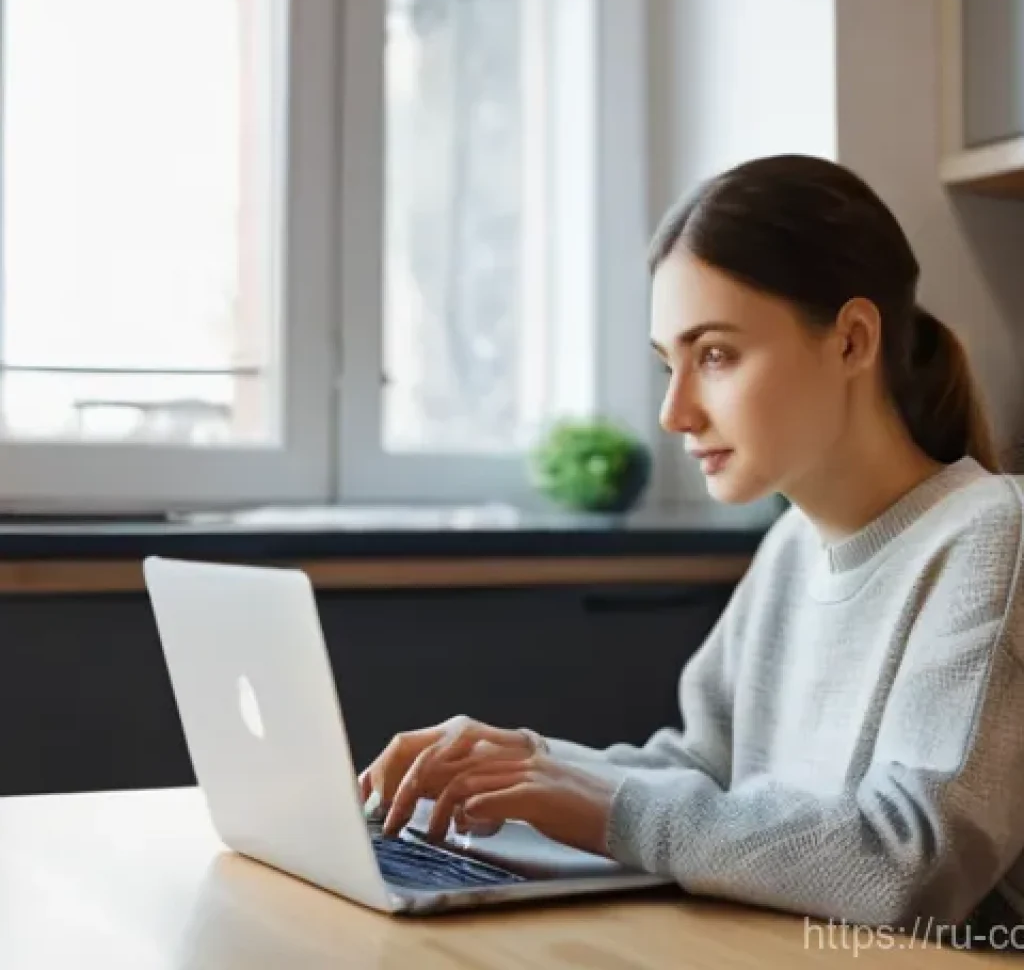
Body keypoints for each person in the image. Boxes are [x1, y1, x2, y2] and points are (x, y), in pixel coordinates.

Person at [359, 154, 1024, 935]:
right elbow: (705, 772)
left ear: (851, 341)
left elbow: (913, 862)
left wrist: (611, 807)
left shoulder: (992, 536)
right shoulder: (790, 548)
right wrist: (524, 764)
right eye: (668, 364)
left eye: (714, 355)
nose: (675, 412)